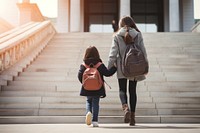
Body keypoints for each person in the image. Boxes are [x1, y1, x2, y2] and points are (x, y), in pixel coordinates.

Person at [107, 16, 148, 126]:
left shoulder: (117, 36)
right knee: (133, 91)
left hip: (121, 67)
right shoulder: (138, 34)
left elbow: (112, 54)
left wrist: (108, 67)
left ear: (121, 25)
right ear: (132, 23)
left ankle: (126, 109)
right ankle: (133, 119)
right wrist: (145, 67)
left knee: (122, 90)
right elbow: (143, 52)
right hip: (135, 66)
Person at [78, 46, 117, 127]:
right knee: (96, 102)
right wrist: (115, 67)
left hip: (87, 88)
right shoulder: (99, 64)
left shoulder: (83, 65)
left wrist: (84, 83)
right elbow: (107, 73)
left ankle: (88, 112)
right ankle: (95, 121)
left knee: (89, 101)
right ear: (97, 54)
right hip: (97, 88)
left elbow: (79, 76)